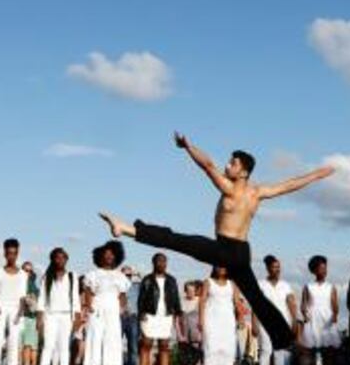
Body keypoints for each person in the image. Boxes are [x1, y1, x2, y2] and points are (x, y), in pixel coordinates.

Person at [99, 132, 334, 351]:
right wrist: (317, 175)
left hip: (224, 249)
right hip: (241, 253)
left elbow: (207, 165)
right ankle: (286, 341)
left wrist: (188, 147)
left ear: (243, 172)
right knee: (257, 298)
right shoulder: (258, 192)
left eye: (232, 163)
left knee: (177, 240)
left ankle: (126, 228)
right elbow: (289, 185)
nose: (227, 165)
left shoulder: (230, 188)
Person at [82, 241, 130, 365]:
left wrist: (122, 308)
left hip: (113, 309)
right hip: (97, 307)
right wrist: (89, 307)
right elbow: (88, 292)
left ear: (116, 257)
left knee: (113, 340)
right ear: (100, 256)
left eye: (111, 254)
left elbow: (122, 295)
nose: (109, 256)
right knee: (93, 338)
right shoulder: (93, 274)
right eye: (106, 254)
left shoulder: (120, 276)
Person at [35, 247, 81, 365]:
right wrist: (39, 318)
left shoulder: (72, 276)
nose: (60, 260)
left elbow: (75, 299)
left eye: (63, 257)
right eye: (57, 257)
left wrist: (77, 317)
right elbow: (42, 299)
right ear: (53, 260)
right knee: (48, 344)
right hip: (51, 315)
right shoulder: (47, 277)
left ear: (66, 259)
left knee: (64, 346)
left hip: (66, 315)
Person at [137, 253, 181, 365]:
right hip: (150, 315)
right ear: (154, 263)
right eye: (159, 261)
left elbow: (176, 297)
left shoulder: (172, 280)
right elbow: (141, 298)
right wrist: (141, 312)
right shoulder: (147, 280)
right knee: (146, 345)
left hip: (166, 316)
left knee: (164, 346)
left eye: (164, 261)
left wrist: (177, 312)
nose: (162, 264)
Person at [0, 239, 28, 365]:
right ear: (5, 253)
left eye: (14, 253)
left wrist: (20, 312)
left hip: (16, 308)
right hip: (1, 307)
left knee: (14, 341)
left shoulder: (23, 274)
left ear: (17, 254)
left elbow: (23, 296)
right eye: (9, 253)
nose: (12, 256)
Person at [255, 255, 297, 365]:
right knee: (266, 351)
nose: (277, 270)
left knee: (280, 351)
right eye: (274, 267)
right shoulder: (261, 284)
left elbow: (291, 303)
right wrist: (254, 323)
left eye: (278, 267)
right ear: (268, 268)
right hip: (265, 321)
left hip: (282, 322)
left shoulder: (285, 285)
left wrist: (294, 321)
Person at [299, 256, 341, 365]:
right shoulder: (308, 286)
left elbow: (335, 305)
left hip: (327, 322)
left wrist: (334, 315)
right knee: (308, 355)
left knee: (328, 354)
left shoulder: (331, 287)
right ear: (314, 270)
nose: (324, 270)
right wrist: (305, 314)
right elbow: (303, 304)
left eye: (325, 267)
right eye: (321, 268)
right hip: (312, 321)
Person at [200, 265, 239, 365]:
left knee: (227, 347)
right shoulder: (208, 282)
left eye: (224, 266)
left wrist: (241, 318)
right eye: (218, 266)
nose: (221, 268)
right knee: (211, 345)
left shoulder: (232, 284)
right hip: (211, 319)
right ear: (214, 268)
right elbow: (202, 301)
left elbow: (237, 302)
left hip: (227, 320)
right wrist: (201, 320)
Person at [177, 281, 203, 365]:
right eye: (188, 290)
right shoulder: (181, 301)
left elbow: (202, 317)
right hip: (184, 329)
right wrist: (179, 333)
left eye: (192, 290)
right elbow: (177, 319)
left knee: (196, 352)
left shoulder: (199, 301)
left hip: (195, 329)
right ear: (185, 291)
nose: (190, 293)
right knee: (184, 353)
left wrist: (201, 332)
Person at [20, 261, 40, 365]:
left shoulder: (32, 285)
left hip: (30, 317)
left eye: (29, 271)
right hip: (18, 316)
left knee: (28, 344)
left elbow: (35, 302)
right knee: (19, 344)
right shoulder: (18, 282)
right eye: (25, 270)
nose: (27, 273)